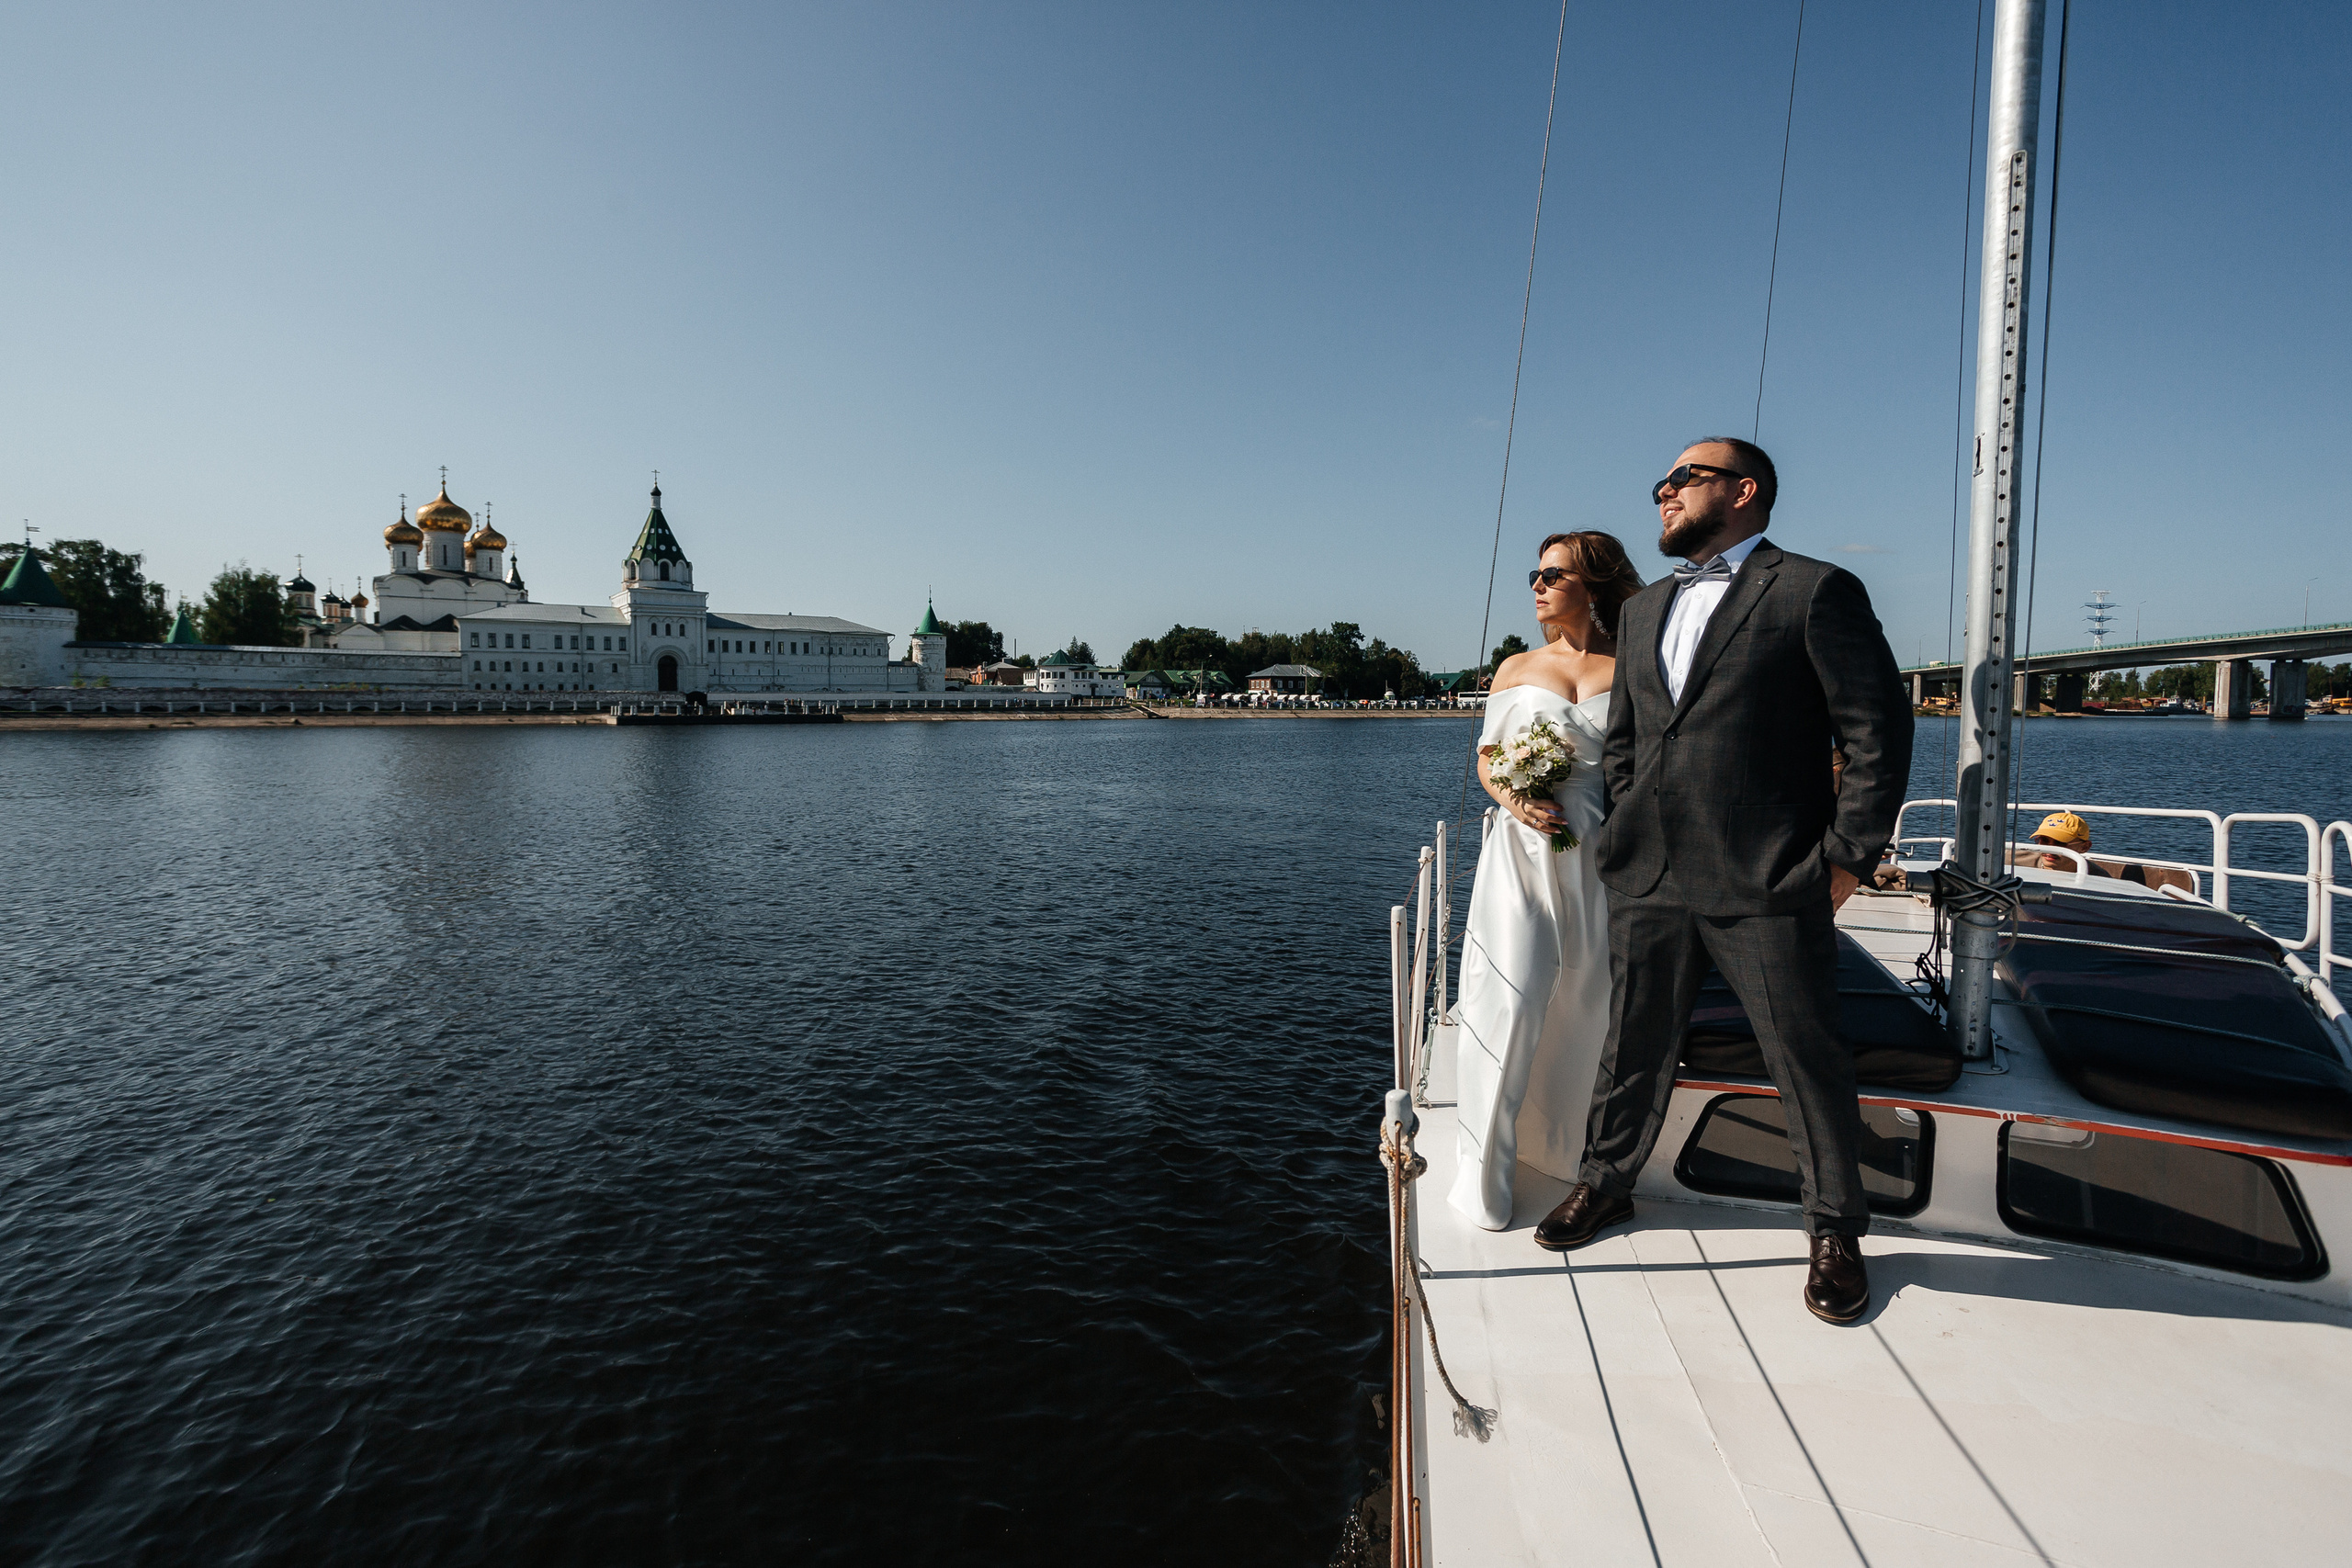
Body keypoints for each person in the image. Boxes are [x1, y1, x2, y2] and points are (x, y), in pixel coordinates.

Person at [1531, 437, 1914, 1326]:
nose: (1663, 493)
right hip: (1650, 871)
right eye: (1660, 484)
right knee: (1632, 1042)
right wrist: (1627, 820)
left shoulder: (1814, 589)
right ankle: (1606, 1182)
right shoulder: (1644, 609)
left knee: (1804, 1054)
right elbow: (1630, 739)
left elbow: (1876, 731)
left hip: (1767, 874)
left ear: (1742, 491)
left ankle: (1833, 1229)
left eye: (1682, 479)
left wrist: (1846, 856)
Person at [1446, 531, 1645, 1230]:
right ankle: (1485, 1174)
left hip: (1597, 854)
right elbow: (1487, 758)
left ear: (1592, 586)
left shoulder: (1633, 666)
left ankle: (1562, 1150)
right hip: (1520, 855)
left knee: (1587, 1001)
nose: (1537, 584)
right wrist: (1514, 798)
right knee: (1513, 994)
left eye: (1553, 575)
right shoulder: (1516, 666)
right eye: (1535, 573)